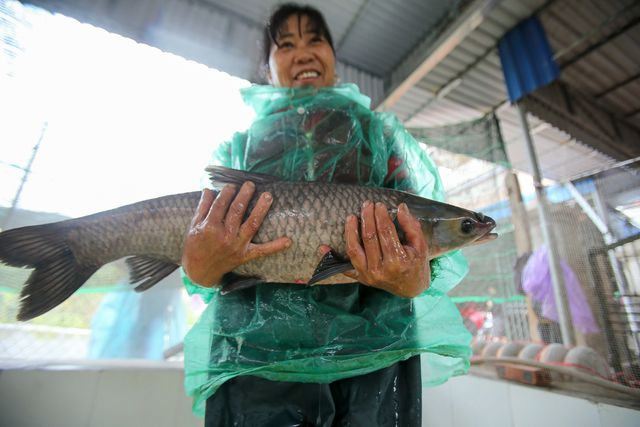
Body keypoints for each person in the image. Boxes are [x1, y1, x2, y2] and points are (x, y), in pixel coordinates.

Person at [181, 4, 471, 426]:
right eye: (286, 45)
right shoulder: (237, 148)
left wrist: (415, 279)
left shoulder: (381, 137)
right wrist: (200, 267)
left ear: (334, 57)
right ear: (267, 69)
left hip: (375, 359)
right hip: (256, 362)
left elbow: (430, 261)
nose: (303, 53)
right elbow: (204, 272)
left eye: (315, 40)